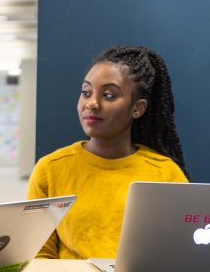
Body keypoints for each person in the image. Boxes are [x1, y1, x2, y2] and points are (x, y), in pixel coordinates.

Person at [27, 45, 188, 260]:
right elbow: (39, 255)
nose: (92, 104)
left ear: (137, 108)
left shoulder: (165, 174)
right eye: (86, 92)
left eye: (109, 95)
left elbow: (181, 254)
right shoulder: (51, 168)